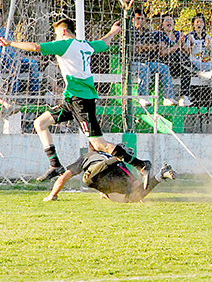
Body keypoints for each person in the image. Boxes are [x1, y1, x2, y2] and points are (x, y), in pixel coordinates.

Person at [0, 18, 152, 185]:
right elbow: (103, 43)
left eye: (56, 34)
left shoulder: (64, 44)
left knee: (98, 144)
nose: (55, 38)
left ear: (63, 32)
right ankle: (55, 165)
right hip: (72, 99)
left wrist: (10, 43)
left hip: (81, 101)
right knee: (40, 123)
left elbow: (35, 47)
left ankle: (141, 165)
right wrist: (113, 32)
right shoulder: (84, 45)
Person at [42, 151, 175, 203]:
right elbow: (132, 181)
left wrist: (52, 195)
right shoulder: (100, 154)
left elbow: (64, 178)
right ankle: (160, 175)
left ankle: (117, 157)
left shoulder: (85, 157)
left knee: (87, 179)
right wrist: (138, 193)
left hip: (105, 170)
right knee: (131, 197)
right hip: (115, 171)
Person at [129, 9, 177, 107]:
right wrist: (148, 47)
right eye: (138, 18)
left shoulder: (148, 33)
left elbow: (156, 47)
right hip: (132, 63)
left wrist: (145, 47)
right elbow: (135, 48)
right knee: (144, 69)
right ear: (133, 20)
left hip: (147, 61)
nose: (140, 21)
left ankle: (168, 97)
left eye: (142, 19)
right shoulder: (129, 31)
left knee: (164, 68)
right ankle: (142, 97)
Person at [184, 13, 212, 97]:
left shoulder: (207, 37)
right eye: (197, 22)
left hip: (203, 61)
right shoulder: (190, 36)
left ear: (204, 24)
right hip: (193, 62)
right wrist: (191, 45)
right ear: (193, 24)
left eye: (201, 22)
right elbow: (186, 53)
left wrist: (208, 47)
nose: (199, 24)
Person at [154, 14, 193, 106]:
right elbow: (163, 53)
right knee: (176, 54)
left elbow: (187, 53)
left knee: (186, 71)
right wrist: (177, 46)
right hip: (165, 64)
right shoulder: (159, 35)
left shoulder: (177, 34)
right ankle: (198, 72)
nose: (169, 22)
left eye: (171, 20)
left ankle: (184, 97)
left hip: (179, 65)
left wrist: (189, 44)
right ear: (162, 24)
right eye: (166, 20)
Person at [0, 12, 41, 96]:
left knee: (33, 63)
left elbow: (15, 50)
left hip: (14, 58)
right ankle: (13, 95)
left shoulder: (6, 31)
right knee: (15, 63)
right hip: (3, 60)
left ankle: (34, 95)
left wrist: (31, 57)